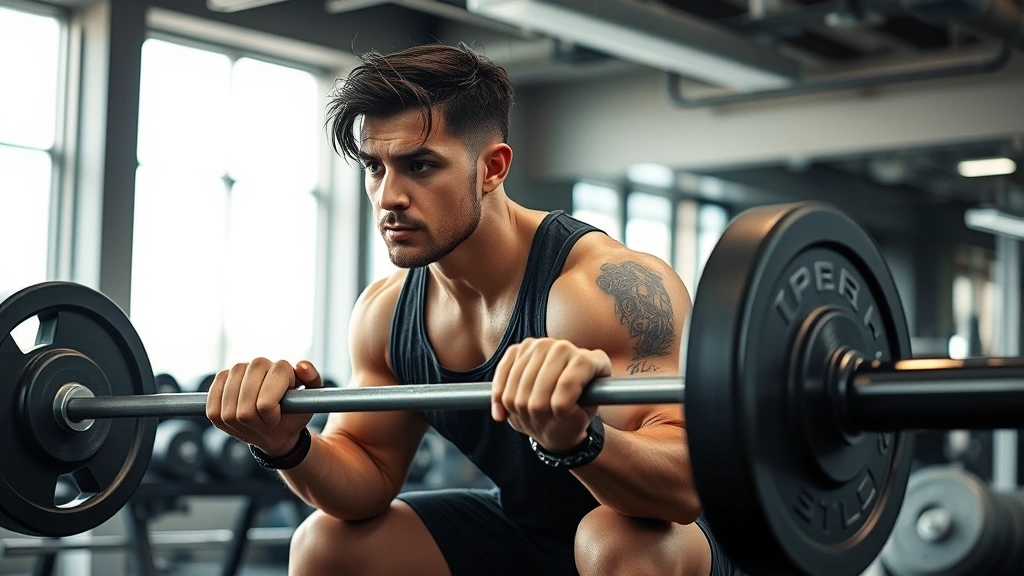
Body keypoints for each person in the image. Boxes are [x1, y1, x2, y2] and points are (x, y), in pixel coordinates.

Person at [205, 43, 740, 576]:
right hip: (524, 533)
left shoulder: (603, 290)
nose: (388, 197)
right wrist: (286, 444)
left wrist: (579, 440)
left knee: (616, 540)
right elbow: (366, 474)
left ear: (492, 168)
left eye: (419, 165)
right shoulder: (385, 313)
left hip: (663, 541)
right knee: (325, 544)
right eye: (374, 167)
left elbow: (683, 489)